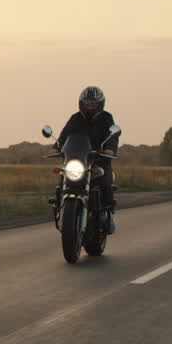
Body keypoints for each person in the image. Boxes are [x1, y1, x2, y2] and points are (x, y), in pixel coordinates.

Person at [56, 85, 119, 233]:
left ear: (100, 104)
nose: (90, 106)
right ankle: (60, 206)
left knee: (105, 180)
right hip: (77, 160)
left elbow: (113, 135)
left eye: (93, 103)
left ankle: (107, 212)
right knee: (62, 176)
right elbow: (65, 135)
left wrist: (109, 148)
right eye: (87, 103)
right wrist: (57, 145)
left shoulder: (106, 118)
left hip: (99, 160)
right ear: (81, 103)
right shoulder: (75, 118)